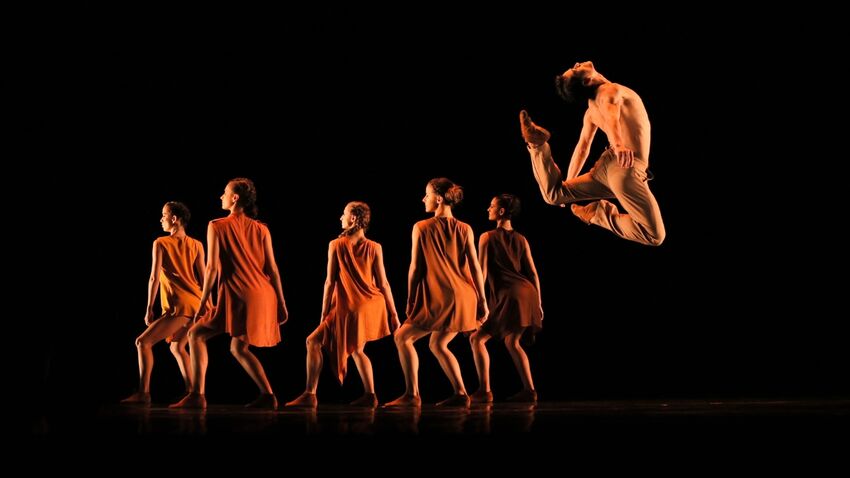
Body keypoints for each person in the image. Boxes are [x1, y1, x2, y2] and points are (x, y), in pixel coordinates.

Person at [170, 178, 288, 410]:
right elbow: (273, 269)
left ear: (235, 198)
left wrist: (204, 302)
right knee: (238, 348)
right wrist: (282, 303)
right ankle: (268, 395)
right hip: (264, 295)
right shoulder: (262, 229)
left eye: (225, 192)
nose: (221, 196)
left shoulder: (217, 226)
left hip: (239, 293)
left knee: (196, 334)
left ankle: (197, 395)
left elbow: (211, 268)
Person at [520, 60, 665, 246]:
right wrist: (618, 145)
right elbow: (611, 112)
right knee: (654, 235)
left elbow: (582, 148)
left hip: (605, 170)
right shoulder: (609, 90)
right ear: (587, 81)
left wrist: (568, 187)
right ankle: (599, 214)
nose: (577, 63)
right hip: (626, 167)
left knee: (554, 195)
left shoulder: (590, 112)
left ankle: (537, 145)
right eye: (576, 69)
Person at [285, 202, 401, 409]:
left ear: (353, 218)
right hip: (371, 304)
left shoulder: (336, 245)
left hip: (350, 306)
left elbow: (329, 282)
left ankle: (311, 394)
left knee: (314, 342)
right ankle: (369, 395)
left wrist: (324, 313)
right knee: (356, 349)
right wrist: (393, 314)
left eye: (344, 214)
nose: (341, 218)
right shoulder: (375, 247)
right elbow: (383, 283)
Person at [385, 178, 488, 408]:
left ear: (439, 199)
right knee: (438, 343)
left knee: (402, 337)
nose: (424, 199)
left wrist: (411, 298)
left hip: (441, 296)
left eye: (427, 195)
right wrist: (482, 300)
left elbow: (415, 268)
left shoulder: (421, 227)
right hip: (464, 296)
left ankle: (412, 395)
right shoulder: (465, 228)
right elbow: (475, 267)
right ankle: (460, 393)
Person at [121, 201, 207, 405]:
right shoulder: (197, 244)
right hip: (196, 304)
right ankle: (193, 394)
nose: (161, 219)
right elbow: (204, 279)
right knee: (177, 346)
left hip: (179, 306)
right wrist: (207, 304)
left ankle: (143, 393)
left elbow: (154, 278)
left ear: (174, 219)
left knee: (143, 342)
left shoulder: (160, 242)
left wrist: (149, 308)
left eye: (164, 215)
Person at [469, 194, 543, 404]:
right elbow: (533, 273)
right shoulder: (522, 239)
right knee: (512, 341)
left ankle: (484, 390)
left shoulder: (487, 237)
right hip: (528, 293)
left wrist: (479, 301)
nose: (488, 209)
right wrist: (539, 302)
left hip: (509, 294)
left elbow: (482, 272)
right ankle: (529, 390)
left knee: (476, 339)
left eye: (492, 206)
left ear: (501, 211)